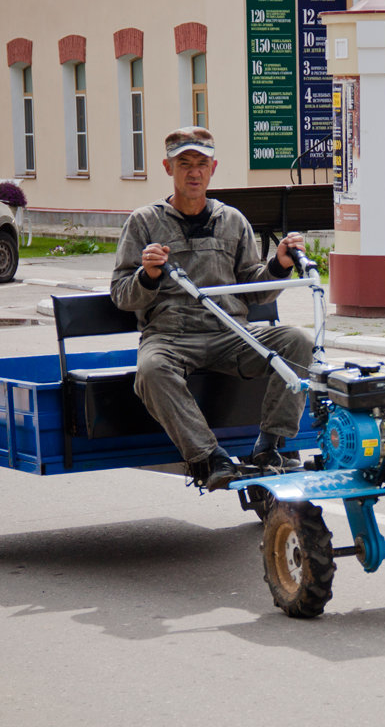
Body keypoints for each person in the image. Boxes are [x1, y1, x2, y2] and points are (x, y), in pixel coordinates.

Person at [111, 126, 311, 491]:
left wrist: (279, 265)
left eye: (201, 164)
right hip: (171, 336)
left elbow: (254, 290)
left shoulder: (232, 220)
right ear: (167, 167)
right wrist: (149, 275)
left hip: (230, 334)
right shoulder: (144, 222)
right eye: (184, 163)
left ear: (213, 168)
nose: (193, 172)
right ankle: (207, 458)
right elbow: (122, 295)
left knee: (298, 341)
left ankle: (272, 446)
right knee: (151, 371)